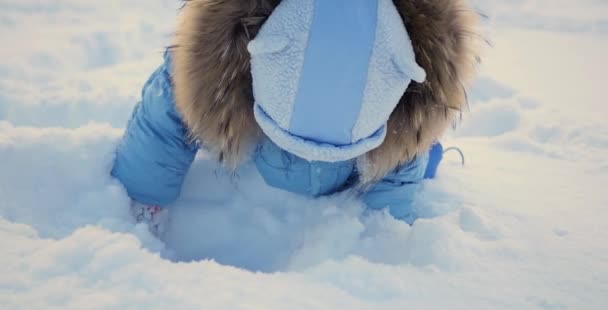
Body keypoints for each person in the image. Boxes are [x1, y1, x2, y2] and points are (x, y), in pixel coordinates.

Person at [111, 0, 481, 234]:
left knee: (416, 150)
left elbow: (404, 152)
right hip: (257, 138)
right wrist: (145, 198)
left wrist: (387, 229)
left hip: (357, 156)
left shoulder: (409, 102)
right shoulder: (212, 77)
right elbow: (163, 124)